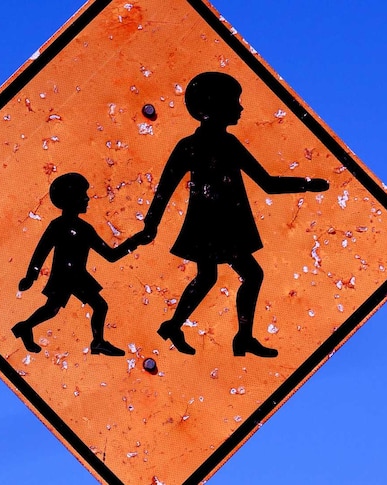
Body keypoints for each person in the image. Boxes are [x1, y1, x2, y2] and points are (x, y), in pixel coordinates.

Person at [134, 72, 330, 358]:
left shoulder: (229, 144)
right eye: (234, 102)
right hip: (212, 226)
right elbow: (164, 189)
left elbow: (268, 184)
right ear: (214, 106)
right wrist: (150, 225)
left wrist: (308, 185)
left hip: (225, 223)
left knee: (217, 277)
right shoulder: (190, 146)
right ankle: (230, 335)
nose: (240, 109)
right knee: (243, 275)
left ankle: (187, 328)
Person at [12, 172, 139, 356]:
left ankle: (96, 342)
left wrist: (133, 242)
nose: (87, 199)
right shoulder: (57, 225)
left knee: (86, 307)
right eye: (82, 195)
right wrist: (31, 276)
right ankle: (25, 327)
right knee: (54, 309)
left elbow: (110, 256)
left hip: (77, 276)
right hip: (63, 277)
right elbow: (41, 251)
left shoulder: (85, 228)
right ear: (71, 199)